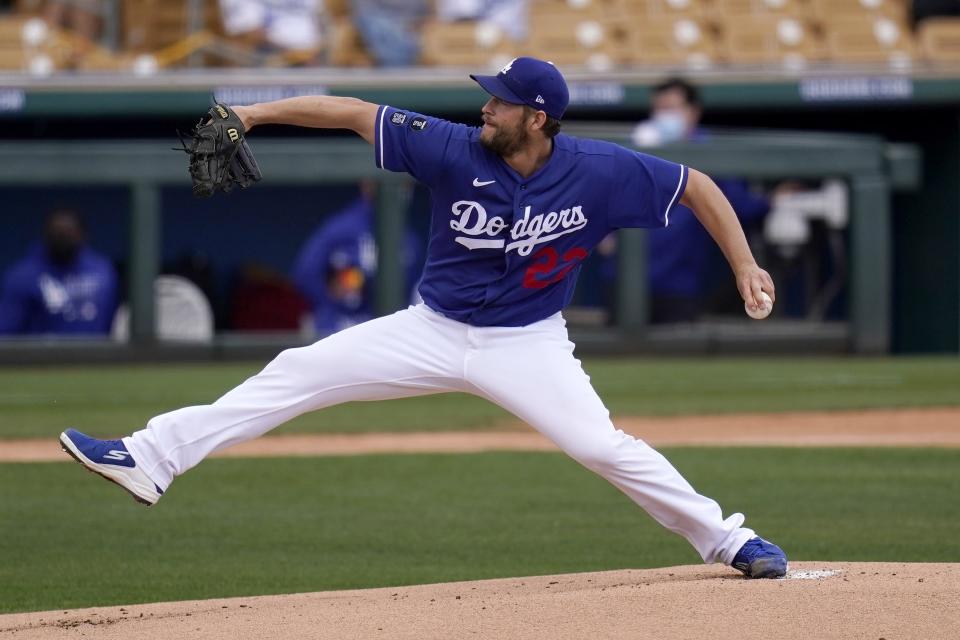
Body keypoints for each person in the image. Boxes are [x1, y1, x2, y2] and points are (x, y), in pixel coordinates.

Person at [59, 57, 788, 579]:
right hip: (430, 329)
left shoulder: (598, 168)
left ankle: (728, 541)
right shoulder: (450, 146)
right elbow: (348, 112)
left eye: (501, 102)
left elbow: (696, 184)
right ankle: (148, 458)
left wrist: (744, 263)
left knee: (601, 447)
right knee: (297, 370)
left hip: (527, 342)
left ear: (537, 118)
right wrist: (252, 113)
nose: (485, 108)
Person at [633, 78, 772, 323]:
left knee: (678, 351)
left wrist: (773, 201)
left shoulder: (709, 152)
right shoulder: (640, 148)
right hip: (629, 277)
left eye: (672, 108)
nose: (665, 116)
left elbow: (741, 207)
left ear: (693, 112)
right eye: (660, 109)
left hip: (680, 280)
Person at [291, 180, 422, 334]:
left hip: (385, 332)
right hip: (339, 328)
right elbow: (304, 274)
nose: (402, 190)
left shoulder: (409, 237)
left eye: (407, 184)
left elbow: (413, 290)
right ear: (366, 184)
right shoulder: (342, 228)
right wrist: (330, 306)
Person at [0, 208, 118, 336]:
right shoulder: (22, 276)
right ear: (45, 235)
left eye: (69, 232)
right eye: (57, 233)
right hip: (41, 354)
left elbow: (112, 322)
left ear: (83, 235)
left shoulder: (102, 270)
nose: (63, 238)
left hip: (96, 353)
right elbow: (6, 332)